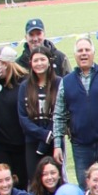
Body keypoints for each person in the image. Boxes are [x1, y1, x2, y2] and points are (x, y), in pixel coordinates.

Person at [0, 45, 28, 182]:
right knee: (2, 182)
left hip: (20, 145)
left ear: (6, 65)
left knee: (20, 183)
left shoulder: (23, 82)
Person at [18, 48, 61, 183]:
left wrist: (49, 135)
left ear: (49, 62)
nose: (39, 63)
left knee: (55, 180)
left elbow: (60, 113)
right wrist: (42, 135)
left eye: (43, 59)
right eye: (36, 60)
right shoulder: (24, 86)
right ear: (31, 63)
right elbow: (23, 118)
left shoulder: (58, 83)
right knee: (36, 181)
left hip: (54, 142)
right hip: (32, 142)